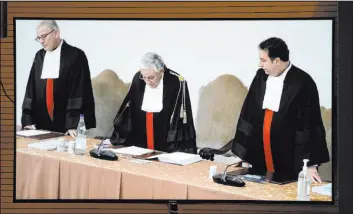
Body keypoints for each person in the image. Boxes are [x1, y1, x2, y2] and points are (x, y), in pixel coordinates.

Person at [230, 37, 330, 183]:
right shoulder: (260, 77)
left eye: (263, 60)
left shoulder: (303, 82)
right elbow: (249, 113)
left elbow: (310, 124)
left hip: (289, 158)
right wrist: (243, 152)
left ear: (276, 60)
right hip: (260, 154)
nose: (260, 64)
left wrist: (309, 165)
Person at [107, 52, 197, 154]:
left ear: (161, 71)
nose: (147, 81)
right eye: (144, 77)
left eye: (151, 77)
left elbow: (180, 119)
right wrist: (118, 140)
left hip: (165, 139)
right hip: (140, 136)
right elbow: (129, 112)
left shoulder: (176, 82)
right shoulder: (138, 78)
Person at [21, 20, 96, 138]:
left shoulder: (76, 55)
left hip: (66, 125)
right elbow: (30, 88)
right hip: (40, 124)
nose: (41, 41)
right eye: (38, 38)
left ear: (56, 33)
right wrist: (28, 119)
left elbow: (79, 90)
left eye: (44, 36)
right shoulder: (39, 56)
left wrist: (72, 124)